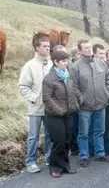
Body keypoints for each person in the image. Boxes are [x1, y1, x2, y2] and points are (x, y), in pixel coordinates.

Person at [70, 39, 109, 167]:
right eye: (85, 48)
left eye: (90, 47)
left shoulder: (101, 63)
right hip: (85, 107)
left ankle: (100, 153)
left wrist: (108, 94)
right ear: (80, 50)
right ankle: (84, 155)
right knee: (83, 132)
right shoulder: (75, 67)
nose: (89, 49)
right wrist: (81, 98)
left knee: (100, 130)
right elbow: (73, 86)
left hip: (101, 104)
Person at [18, 36, 53, 173]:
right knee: (34, 136)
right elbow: (22, 86)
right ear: (37, 48)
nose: (47, 48)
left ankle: (49, 158)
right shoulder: (29, 66)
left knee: (50, 134)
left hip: (50, 107)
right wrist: (34, 98)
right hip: (35, 107)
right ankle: (31, 162)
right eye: (44, 46)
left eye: (48, 46)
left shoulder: (51, 64)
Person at [42, 50, 79, 178]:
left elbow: (73, 92)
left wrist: (75, 105)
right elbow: (47, 98)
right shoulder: (49, 78)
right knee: (59, 141)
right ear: (55, 62)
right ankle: (55, 167)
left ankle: (65, 165)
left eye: (67, 60)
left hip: (68, 114)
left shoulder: (67, 75)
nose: (66, 63)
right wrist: (60, 111)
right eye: (63, 61)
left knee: (67, 140)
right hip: (54, 116)